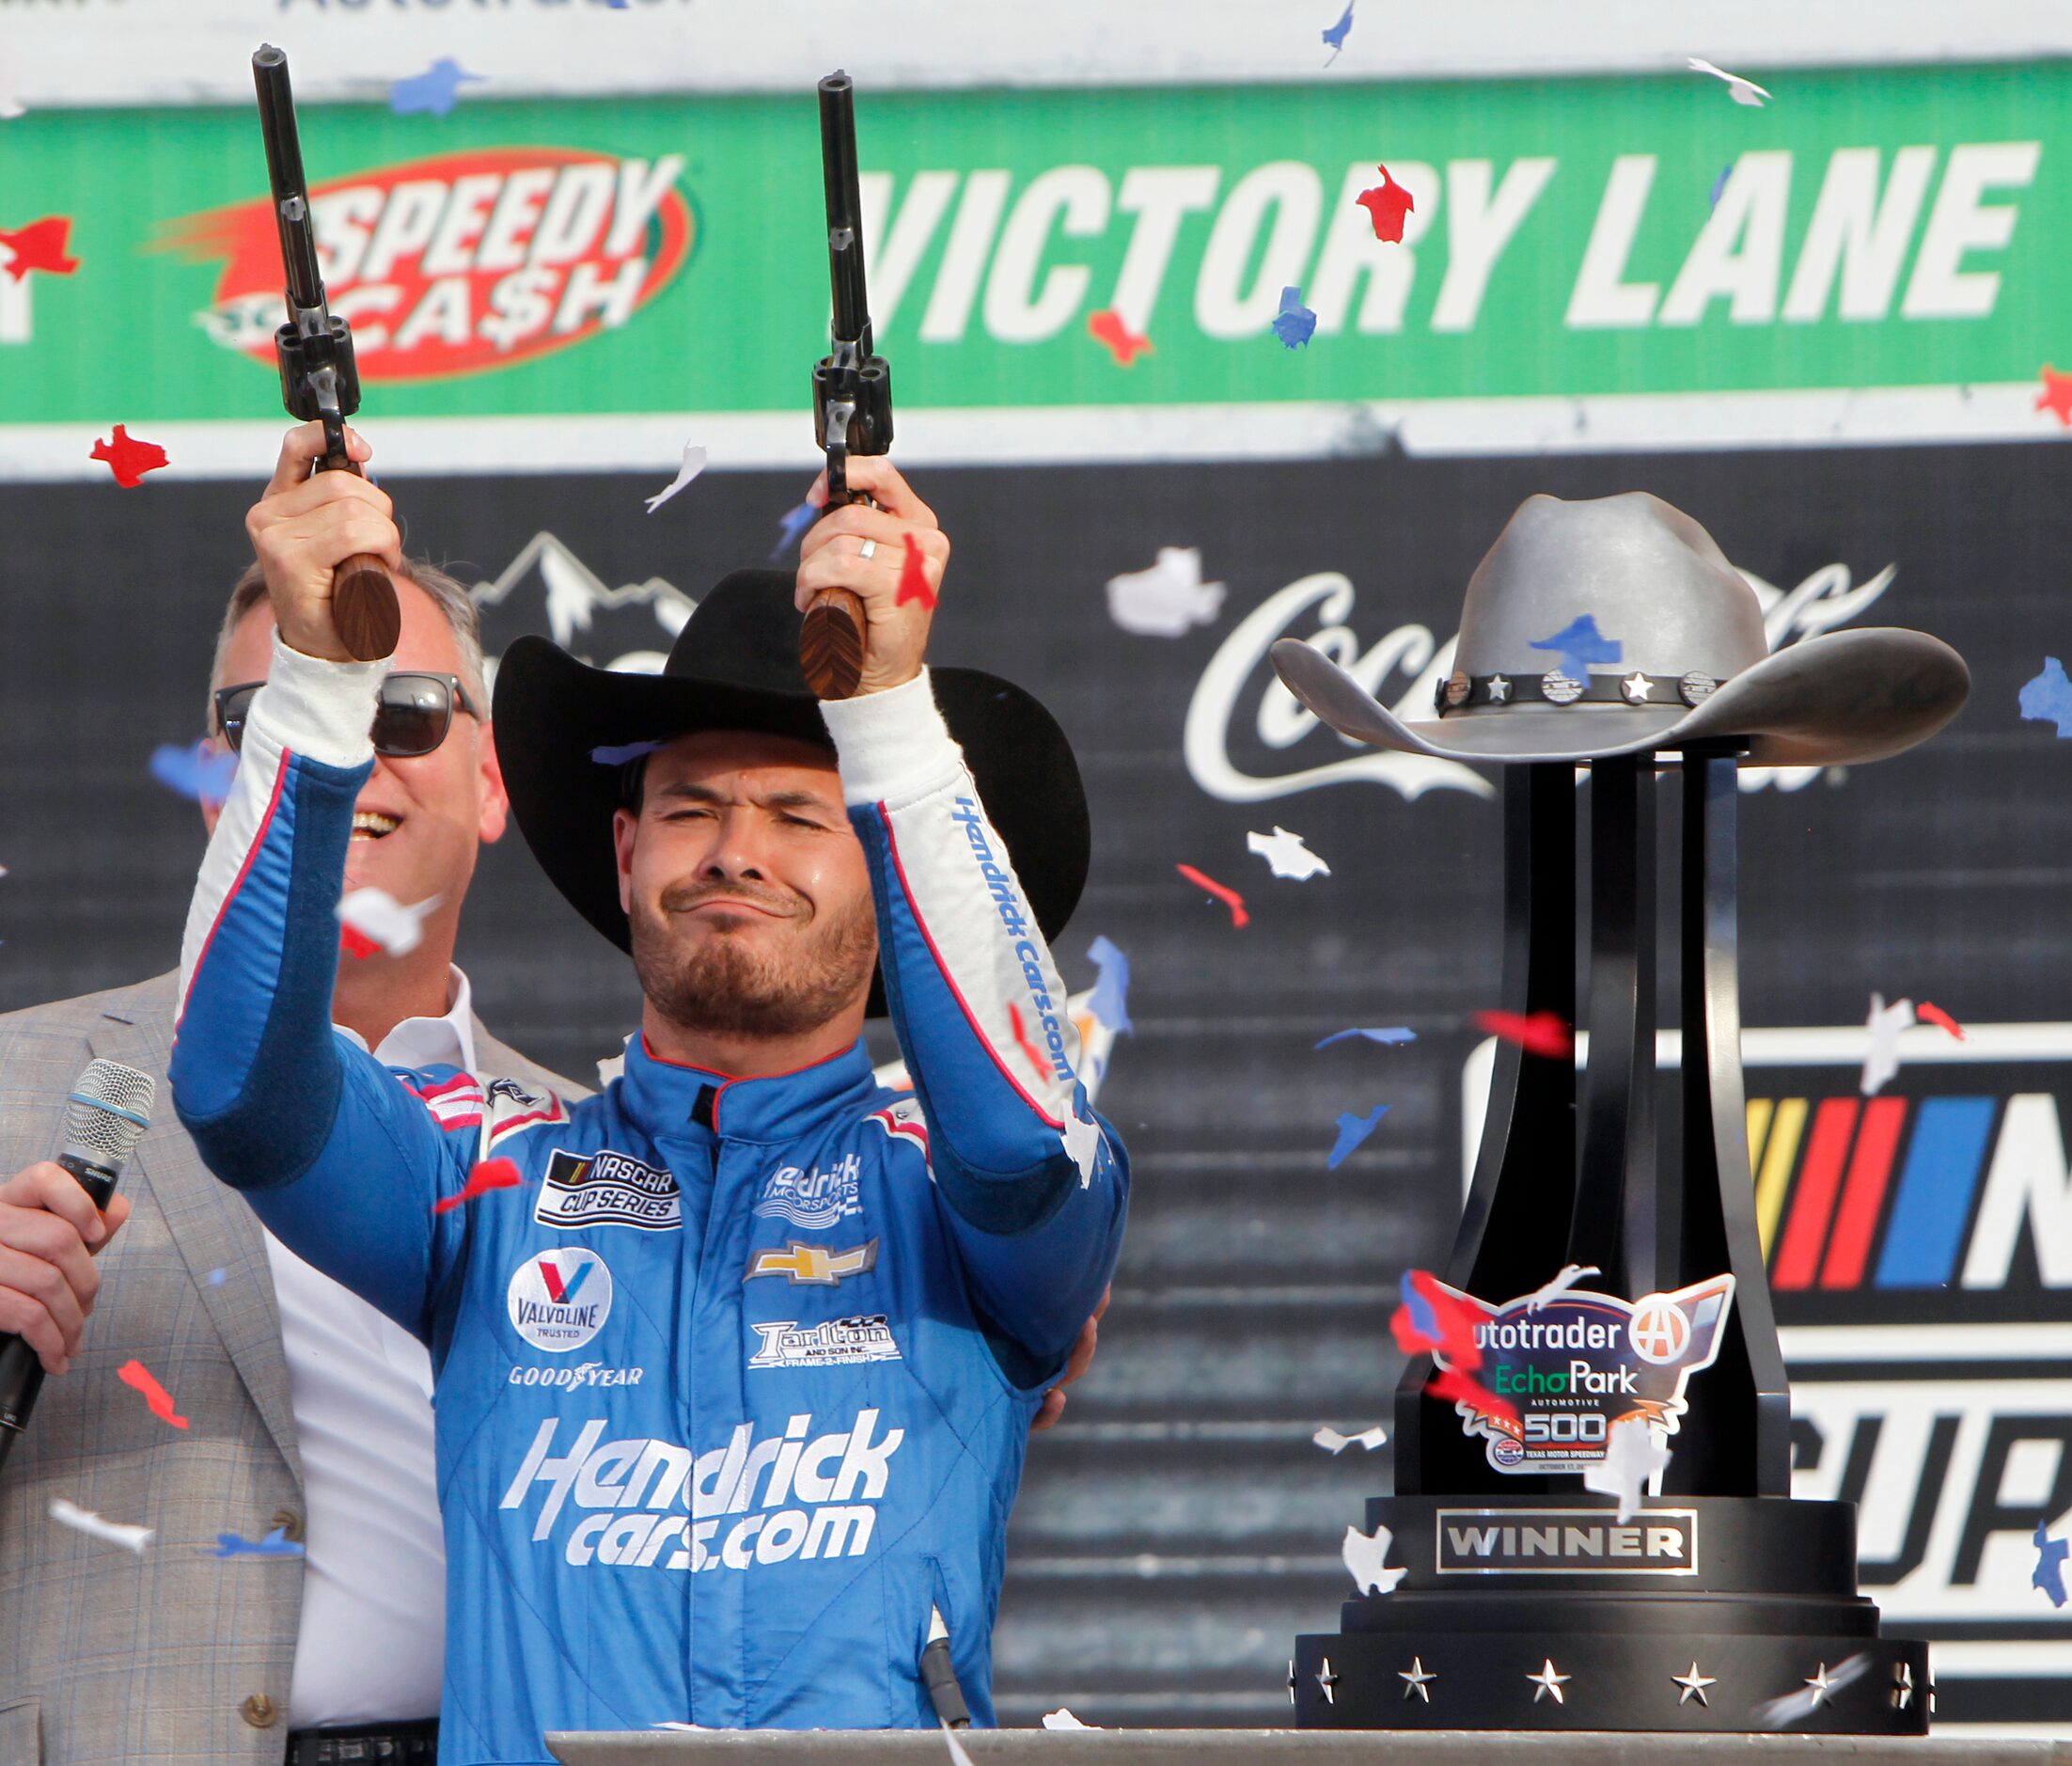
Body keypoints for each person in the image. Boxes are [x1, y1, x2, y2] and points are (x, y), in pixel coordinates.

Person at [169, 435, 1128, 1760]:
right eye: (692, 808)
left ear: (891, 873)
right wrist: (321, 683)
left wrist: (893, 716)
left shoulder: (954, 1180)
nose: (738, 849)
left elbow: (1026, 1139)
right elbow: (238, 1094)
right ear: (627, 854)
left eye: (804, 814)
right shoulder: (477, 1170)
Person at [0, 420, 579, 1766]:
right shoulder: (22, 1084)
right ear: (226, 779)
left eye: (407, 711)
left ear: (491, 781)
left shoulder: (594, 1150)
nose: (350, 756)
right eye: (284, 716)